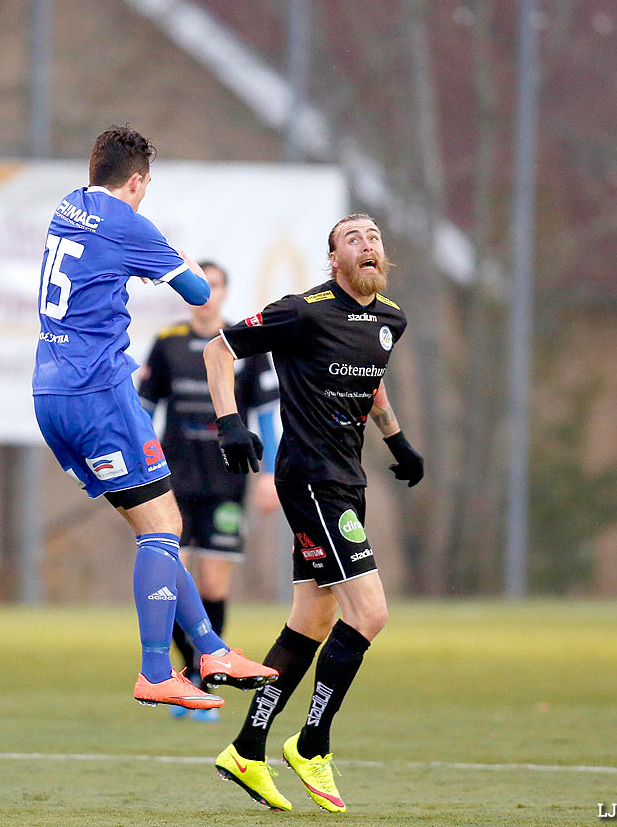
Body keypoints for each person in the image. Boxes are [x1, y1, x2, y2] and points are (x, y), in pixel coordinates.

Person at [31, 124, 277, 713]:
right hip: (99, 392)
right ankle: (154, 670)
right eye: (146, 188)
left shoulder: (69, 207)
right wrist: (172, 251)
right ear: (137, 181)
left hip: (51, 393)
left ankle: (211, 650)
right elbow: (196, 291)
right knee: (165, 527)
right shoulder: (127, 221)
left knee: (156, 529)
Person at [203, 213, 424, 813]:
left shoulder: (389, 320)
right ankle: (312, 742)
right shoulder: (303, 310)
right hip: (312, 479)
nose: (367, 245)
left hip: (348, 481)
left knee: (314, 620)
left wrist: (396, 439)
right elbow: (218, 349)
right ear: (334, 260)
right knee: (371, 613)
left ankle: (247, 751)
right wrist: (230, 423)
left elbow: (371, 381)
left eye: (374, 237)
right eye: (352, 239)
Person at [138, 260, 281, 722]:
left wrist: (268, 475)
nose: (208, 293)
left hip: (226, 477)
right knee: (172, 576)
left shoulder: (244, 344)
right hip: (172, 477)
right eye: (203, 284)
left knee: (214, 581)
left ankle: (205, 676)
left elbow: (263, 416)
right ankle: (187, 674)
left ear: (223, 292)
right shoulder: (167, 343)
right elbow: (144, 408)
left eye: (216, 285)